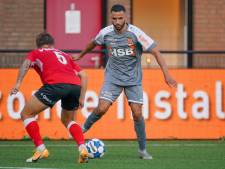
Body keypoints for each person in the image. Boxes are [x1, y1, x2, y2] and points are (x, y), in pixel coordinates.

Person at [73, 4, 177, 159]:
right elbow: (93, 42)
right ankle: (83, 128)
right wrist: (81, 56)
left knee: (137, 113)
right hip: (112, 78)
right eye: (114, 18)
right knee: (101, 108)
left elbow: (156, 51)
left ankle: (142, 150)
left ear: (126, 17)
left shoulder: (136, 34)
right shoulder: (106, 33)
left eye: (120, 18)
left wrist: (167, 75)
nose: (117, 21)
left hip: (133, 80)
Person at [10, 32, 88, 163]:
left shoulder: (36, 52)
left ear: (38, 44)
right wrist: (82, 97)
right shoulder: (64, 54)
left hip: (55, 85)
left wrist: (18, 83)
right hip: (75, 86)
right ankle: (82, 148)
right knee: (68, 120)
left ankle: (41, 149)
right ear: (52, 44)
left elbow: (26, 64)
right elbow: (84, 75)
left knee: (26, 114)